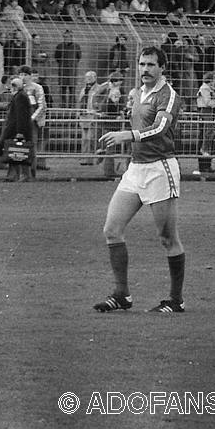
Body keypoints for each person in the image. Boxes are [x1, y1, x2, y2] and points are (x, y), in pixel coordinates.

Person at [93, 46, 186, 314]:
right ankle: (122, 294)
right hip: (136, 169)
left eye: (151, 65)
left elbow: (159, 128)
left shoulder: (168, 95)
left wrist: (126, 135)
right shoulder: (138, 93)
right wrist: (117, 143)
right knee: (111, 230)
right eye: (142, 64)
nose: (145, 69)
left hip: (160, 169)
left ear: (162, 68)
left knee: (168, 238)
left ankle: (176, 300)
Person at [0, 77, 33, 182]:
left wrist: (20, 132)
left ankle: (20, 175)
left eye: (11, 86)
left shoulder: (20, 97)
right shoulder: (20, 96)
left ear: (15, 87)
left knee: (18, 152)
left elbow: (20, 116)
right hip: (16, 128)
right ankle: (16, 175)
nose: (8, 88)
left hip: (15, 129)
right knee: (16, 152)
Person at [18, 66, 46, 179]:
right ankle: (20, 173)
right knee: (19, 146)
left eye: (25, 74)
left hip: (32, 122)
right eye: (21, 74)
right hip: (19, 121)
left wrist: (32, 118)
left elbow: (42, 106)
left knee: (31, 146)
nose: (23, 77)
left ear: (30, 76)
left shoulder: (37, 88)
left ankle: (31, 172)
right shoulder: (18, 87)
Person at [195, 71, 215, 174]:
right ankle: (203, 152)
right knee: (206, 132)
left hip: (209, 112)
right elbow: (207, 102)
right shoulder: (205, 89)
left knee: (209, 134)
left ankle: (207, 164)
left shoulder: (211, 89)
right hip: (205, 111)